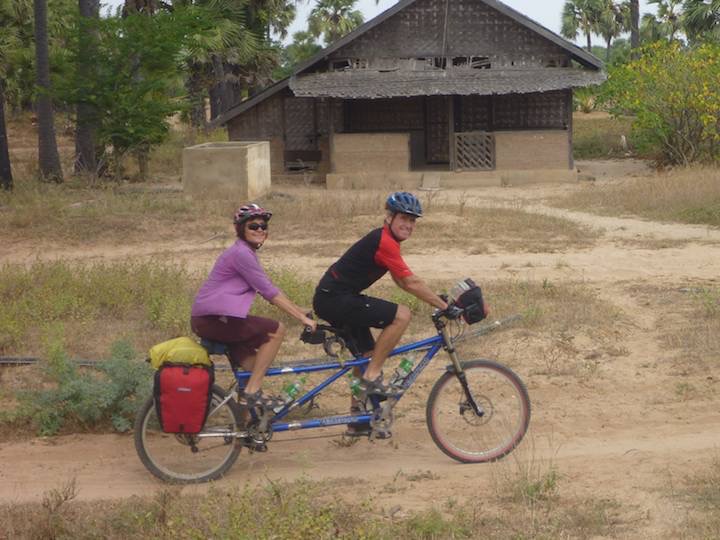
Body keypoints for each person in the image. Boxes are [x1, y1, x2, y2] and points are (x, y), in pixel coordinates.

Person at [312, 191, 449, 436]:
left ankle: (358, 418)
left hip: (333, 297)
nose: (409, 224)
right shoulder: (384, 241)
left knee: (364, 355)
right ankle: (373, 375)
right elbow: (410, 283)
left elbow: (400, 281)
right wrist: (443, 306)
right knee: (402, 315)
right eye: (404, 218)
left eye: (413, 220)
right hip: (335, 299)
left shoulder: (387, 241)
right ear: (389, 217)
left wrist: (436, 299)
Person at [191, 203, 317, 411]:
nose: (260, 230)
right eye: (253, 226)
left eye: (263, 226)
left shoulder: (243, 252)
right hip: (214, 319)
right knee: (276, 330)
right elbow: (268, 291)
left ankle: (246, 421)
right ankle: (252, 392)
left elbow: (269, 287)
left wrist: (298, 309)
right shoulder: (241, 253)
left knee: (253, 364)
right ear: (240, 229)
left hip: (211, 319)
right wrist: (302, 319)